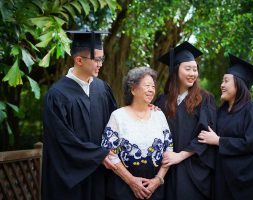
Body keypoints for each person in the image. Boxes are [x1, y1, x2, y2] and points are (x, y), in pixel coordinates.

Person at [42, 31, 117, 200]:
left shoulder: (102, 89)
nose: (100, 64)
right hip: (70, 181)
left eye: (102, 59)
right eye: (97, 59)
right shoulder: (57, 94)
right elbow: (61, 140)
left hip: (99, 175)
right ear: (79, 60)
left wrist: (141, 109)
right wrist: (98, 154)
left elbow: (116, 123)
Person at [198, 54, 253, 200]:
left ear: (239, 83)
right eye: (222, 81)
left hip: (246, 186)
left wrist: (220, 141)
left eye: (226, 81)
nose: (222, 85)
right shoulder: (220, 112)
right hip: (222, 182)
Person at [155, 41, 217, 200]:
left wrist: (180, 155)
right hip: (166, 169)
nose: (192, 73)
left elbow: (205, 134)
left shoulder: (205, 99)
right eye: (188, 68)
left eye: (195, 69)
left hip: (192, 170)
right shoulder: (162, 101)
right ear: (175, 70)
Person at [101, 67, 173, 200]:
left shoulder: (159, 114)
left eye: (153, 86)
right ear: (133, 89)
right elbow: (109, 153)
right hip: (123, 188)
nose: (151, 89)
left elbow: (168, 149)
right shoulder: (118, 116)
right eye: (147, 85)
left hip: (154, 189)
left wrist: (158, 180)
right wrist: (131, 181)